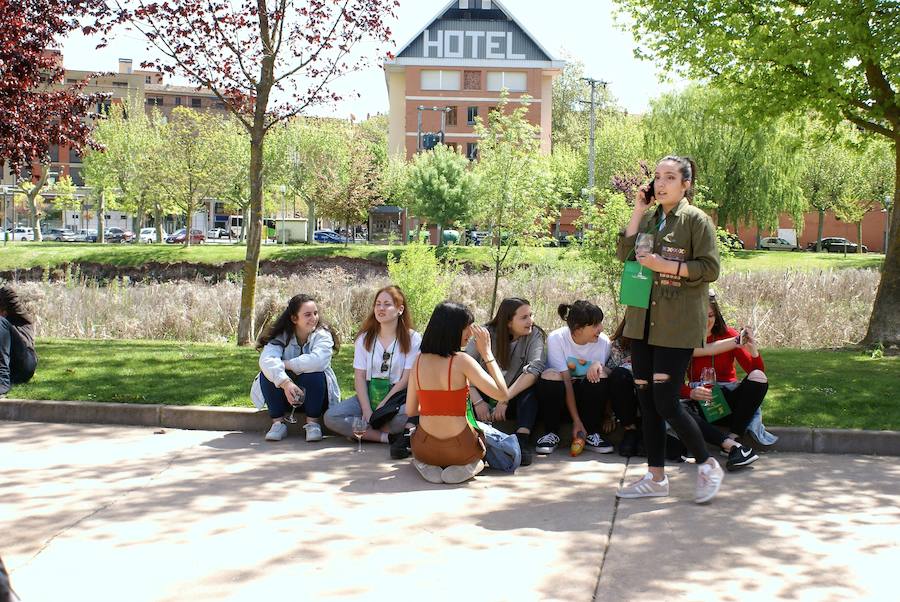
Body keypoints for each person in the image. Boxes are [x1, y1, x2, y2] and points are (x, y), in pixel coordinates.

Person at [614, 155, 725, 504]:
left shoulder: (696, 221)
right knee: (646, 401)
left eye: (670, 178)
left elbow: (710, 268)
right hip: (643, 319)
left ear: (686, 184)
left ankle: (707, 464)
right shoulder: (650, 218)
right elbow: (623, 252)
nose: (661, 184)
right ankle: (656, 476)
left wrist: (666, 265)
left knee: (665, 401)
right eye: (657, 177)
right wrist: (636, 209)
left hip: (676, 323)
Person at [406, 301, 509, 484]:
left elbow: (410, 411)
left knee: (421, 443)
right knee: (491, 438)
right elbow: (502, 395)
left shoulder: (418, 361)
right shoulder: (462, 361)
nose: (470, 334)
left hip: (426, 447)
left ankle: (426, 465)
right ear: (452, 330)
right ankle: (468, 466)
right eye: (467, 328)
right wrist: (487, 354)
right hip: (461, 449)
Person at [324, 286, 421, 454]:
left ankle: (363, 432)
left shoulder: (413, 338)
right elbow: (360, 377)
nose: (381, 308)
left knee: (409, 415)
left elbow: (406, 379)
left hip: (396, 396)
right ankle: (386, 437)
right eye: (378, 304)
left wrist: (382, 408)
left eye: (387, 304)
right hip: (369, 392)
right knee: (331, 417)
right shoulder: (364, 338)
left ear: (400, 309)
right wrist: (368, 410)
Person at [680, 292, 765, 470]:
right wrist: (691, 393)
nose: (706, 320)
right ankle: (730, 446)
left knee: (758, 377)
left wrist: (753, 350)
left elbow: (756, 373)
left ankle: (734, 438)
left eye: (710, 315)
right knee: (679, 407)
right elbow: (673, 384)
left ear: (716, 315)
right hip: (702, 399)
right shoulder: (685, 340)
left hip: (728, 398)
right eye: (701, 316)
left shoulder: (729, 335)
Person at [464, 297, 545, 466]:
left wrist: (505, 398)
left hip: (512, 396)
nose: (531, 321)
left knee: (532, 391)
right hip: (480, 394)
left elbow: (534, 369)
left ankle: (522, 439)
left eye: (531, 315)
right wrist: (478, 401)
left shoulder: (535, 334)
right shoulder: (485, 334)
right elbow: (463, 367)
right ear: (508, 322)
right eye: (524, 317)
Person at [250, 294, 341, 442]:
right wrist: (286, 383)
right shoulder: (281, 336)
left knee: (314, 374)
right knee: (267, 374)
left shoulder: (323, 335)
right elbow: (266, 360)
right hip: (285, 396)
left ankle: (313, 424)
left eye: (315, 313)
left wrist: (286, 364)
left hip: (316, 397)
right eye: (307, 315)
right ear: (294, 318)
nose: (314, 318)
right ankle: (278, 423)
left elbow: (318, 361)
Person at [534, 301, 615, 455]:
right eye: (595, 325)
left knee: (601, 373)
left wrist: (608, 415)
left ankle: (591, 432)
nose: (601, 329)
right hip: (561, 396)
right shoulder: (557, 338)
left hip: (587, 400)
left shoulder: (603, 342)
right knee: (550, 375)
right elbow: (566, 382)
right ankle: (551, 432)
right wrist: (576, 421)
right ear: (578, 329)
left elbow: (606, 379)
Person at [606, 319, 641, 457]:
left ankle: (646, 432)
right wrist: (607, 415)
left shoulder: (661, 342)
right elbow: (610, 382)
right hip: (626, 405)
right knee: (619, 374)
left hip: (648, 400)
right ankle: (630, 430)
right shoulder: (619, 344)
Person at [0, 286, 37, 398]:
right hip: (13, 372)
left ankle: (2, 383)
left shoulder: (21, 321)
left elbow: (8, 293)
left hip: (25, 362)